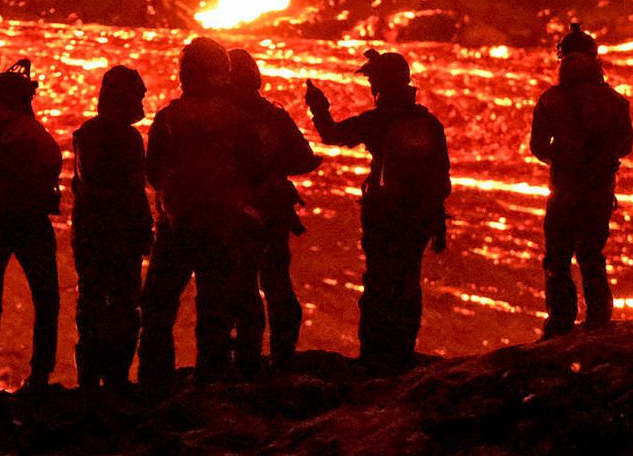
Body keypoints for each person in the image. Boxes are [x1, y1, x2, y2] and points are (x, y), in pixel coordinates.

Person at [305, 49, 451, 372]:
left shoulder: (378, 121)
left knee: (379, 284)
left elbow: (333, 134)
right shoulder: (429, 124)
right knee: (408, 282)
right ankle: (403, 353)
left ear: (381, 85)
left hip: (383, 217)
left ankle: (374, 357)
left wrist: (317, 106)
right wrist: (437, 221)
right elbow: (441, 177)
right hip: (419, 219)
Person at [138, 37, 264, 390]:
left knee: (158, 308)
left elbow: (152, 172)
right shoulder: (238, 120)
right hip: (222, 225)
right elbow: (254, 169)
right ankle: (211, 383)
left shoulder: (168, 119)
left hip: (176, 224)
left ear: (186, 73)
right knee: (215, 310)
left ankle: (154, 385)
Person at [0, 59, 63, 393]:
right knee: (46, 300)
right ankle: (40, 376)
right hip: (31, 225)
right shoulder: (34, 135)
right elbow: (52, 167)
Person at [527, 23, 633, 338]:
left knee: (557, 257)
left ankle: (560, 322)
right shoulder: (615, 101)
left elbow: (537, 147)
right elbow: (625, 145)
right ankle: (598, 320)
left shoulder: (550, 100)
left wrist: (561, 160)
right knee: (591, 255)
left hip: (563, 191)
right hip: (599, 191)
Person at [227, 48, 320, 373]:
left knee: (242, 286)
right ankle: (283, 357)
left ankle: (247, 361)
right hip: (274, 209)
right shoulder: (274, 115)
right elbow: (306, 159)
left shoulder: (223, 117)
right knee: (277, 283)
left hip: (238, 212)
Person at [69, 65, 153, 390]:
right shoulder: (126, 138)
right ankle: (114, 378)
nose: (142, 104)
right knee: (121, 306)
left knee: (91, 304)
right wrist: (142, 230)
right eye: (138, 96)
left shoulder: (87, 134)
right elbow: (130, 191)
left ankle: (90, 381)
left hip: (91, 233)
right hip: (116, 235)